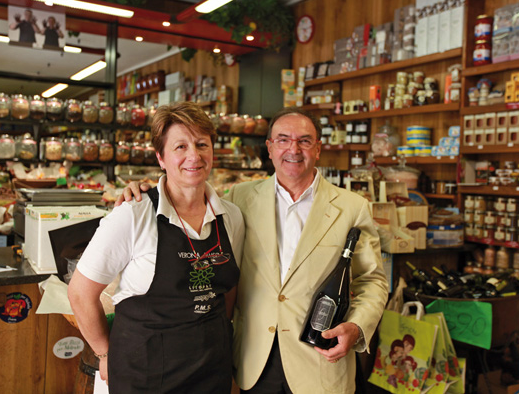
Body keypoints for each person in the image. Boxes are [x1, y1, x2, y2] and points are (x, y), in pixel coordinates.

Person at [117, 107, 388, 393]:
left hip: (319, 360)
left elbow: (372, 280)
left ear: (318, 149)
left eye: (304, 141)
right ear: (269, 148)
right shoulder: (239, 199)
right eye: (283, 140)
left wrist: (357, 327)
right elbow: (187, 192)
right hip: (252, 361)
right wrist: (146, 192)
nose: (293, 149)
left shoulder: (352, 207)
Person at [68, 101, 245, 392]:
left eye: (202, 144)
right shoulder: (133, 214)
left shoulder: (232, 217)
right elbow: (80, 293)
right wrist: (104, 353)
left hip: (211, 371)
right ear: (160, 158)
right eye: (180, 147)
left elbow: (227, 291)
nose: (194, 156)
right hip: (144, 375)